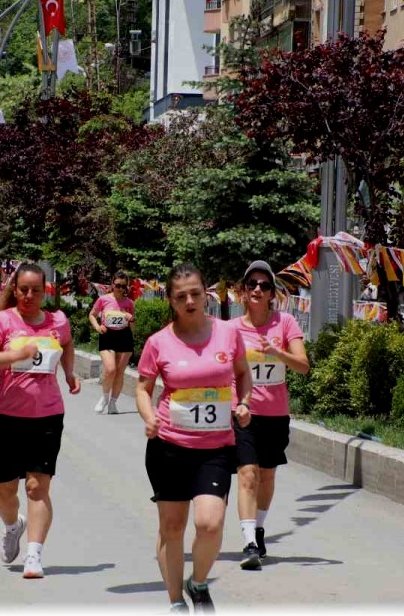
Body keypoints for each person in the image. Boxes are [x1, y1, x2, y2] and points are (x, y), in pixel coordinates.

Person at [135, 263, 252, 613]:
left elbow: (243, 373)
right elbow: (143, 388)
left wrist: (244, 403)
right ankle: (175, 602)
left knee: (210, 522)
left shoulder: (228, 334)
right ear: (171, 300)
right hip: (169, 446)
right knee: (172, 527)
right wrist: (149, 415)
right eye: (181, 296)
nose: (190, 301)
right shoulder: (159, 342)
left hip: (215, 448)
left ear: (207, 295)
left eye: (196, 294)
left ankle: (197, 582)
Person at [0, 262, 81, 579]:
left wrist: (70, 373)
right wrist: (15, 355)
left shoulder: (57, 321)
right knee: (4, 492)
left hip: (47, 415)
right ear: (15, 289)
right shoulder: (2, 321)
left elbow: (66, 345)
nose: (29, 295)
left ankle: (34, 555)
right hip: (8, 416)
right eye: (23, 289)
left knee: (37, 487)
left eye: (36, 290)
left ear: (45, 291)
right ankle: (13, 525)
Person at [232, 261, 309, 569]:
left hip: (276, 414)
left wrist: (278, 352)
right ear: (243, 291)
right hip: (244, 413)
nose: (258, 290)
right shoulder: (231, 329)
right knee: (247, 474)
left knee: (267, 475)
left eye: (264, 285)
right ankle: (249, 540)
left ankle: (259, 527)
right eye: (252, 284)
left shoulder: (285, 323)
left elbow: (303, 366)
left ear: (272, 293)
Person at [88, 272, 136, 414]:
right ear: (112, 284)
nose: (120, 289)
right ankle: (104, 398)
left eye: (123, 286)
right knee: (110, 369)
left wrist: (131, 318)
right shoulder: (103, 300)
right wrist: (97, 327)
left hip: (124, 336)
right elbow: (92, 314)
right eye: (117, 285)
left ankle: (113, 403)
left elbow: (133, 327)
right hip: (107, 335)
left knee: (120, 372)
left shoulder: (129, 303)